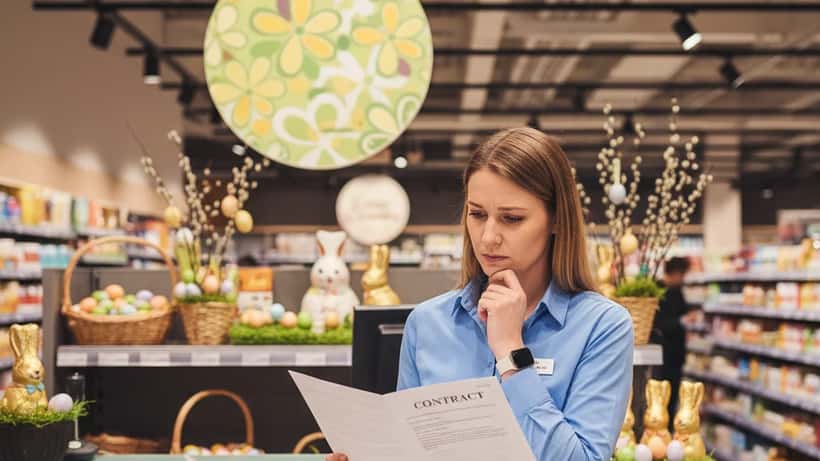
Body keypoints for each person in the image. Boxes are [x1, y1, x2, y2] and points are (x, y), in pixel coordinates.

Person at [327, 127, 634, 461]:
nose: (488, 237)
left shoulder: (602, 326)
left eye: (511, 218)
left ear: (556, 219)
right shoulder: (428, 323)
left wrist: (511, 353)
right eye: (477, 214)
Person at [650, 256, 694, 431]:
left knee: (672, 398)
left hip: (675, 356)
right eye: (682, 274)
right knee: (663, 398)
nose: (683, 279)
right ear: (675, 273)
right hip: (664, 356)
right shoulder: (661, 292)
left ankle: (666, 432)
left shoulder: (677, 291)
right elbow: (659, 323)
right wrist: (681, 321)